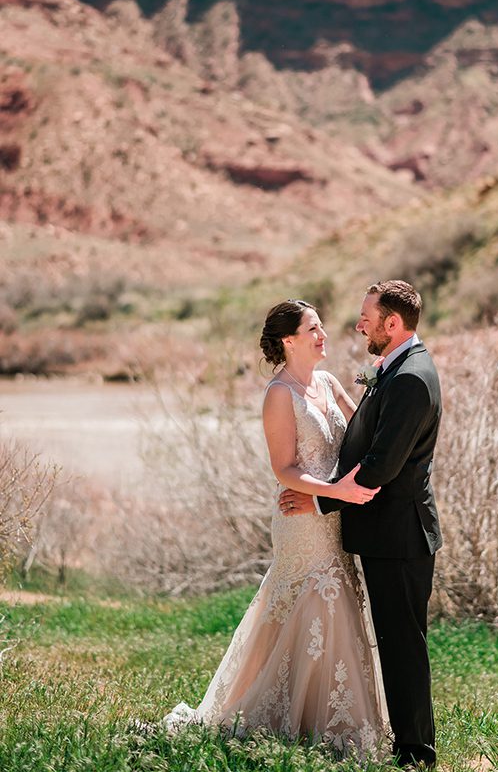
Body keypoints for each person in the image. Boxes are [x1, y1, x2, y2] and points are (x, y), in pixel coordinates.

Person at [165, 298, 390, 758]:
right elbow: (284, 470)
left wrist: (386, 384)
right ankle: (277, 718)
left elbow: (364, 431)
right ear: (289, 340)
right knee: (307, 604)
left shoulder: (327, 382)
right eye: (313, 329)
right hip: (301, 521)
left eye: (322, 327)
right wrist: (337, 493)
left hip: (330, 515)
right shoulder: (278, 395)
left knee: (341, 602)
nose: (323, 335)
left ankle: (339, 719)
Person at [279, 280, 443, 769]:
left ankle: (416, 752)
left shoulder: (411, 377)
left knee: (402, 646)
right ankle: (411, 743)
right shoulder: (396, 369)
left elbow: (380, 466)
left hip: (399, 535)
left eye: (367, 318)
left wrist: (319, 503)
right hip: (390, 532)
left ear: (392, 324)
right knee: (397, 642)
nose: (359, 326)